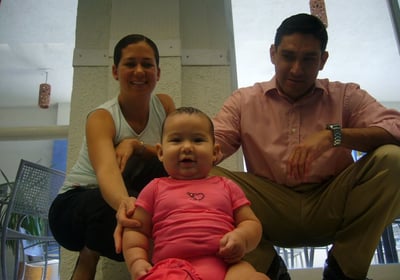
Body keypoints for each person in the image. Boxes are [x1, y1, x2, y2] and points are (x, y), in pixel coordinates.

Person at [211, 13, 400, 280]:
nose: (297, 69)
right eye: (288, 56)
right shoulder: (243, 100)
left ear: (323, 60)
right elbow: (210, 144)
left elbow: (396, 130)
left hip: (332, 202)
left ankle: (344, 270)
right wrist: (175, 151)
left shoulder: (346, 95)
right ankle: (267, 269)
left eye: (309, 59)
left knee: (393, 159)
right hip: (267, 207)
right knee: (200, 178)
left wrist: (334, 136)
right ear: (273, 54)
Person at [48, 34, 175, 280]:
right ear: (116, 71)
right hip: (73, 209)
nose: (139, 71)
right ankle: (88, 256)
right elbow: (106, 171)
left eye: (147, 64)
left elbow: (173, 153)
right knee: (125, 210)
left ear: (158, 73)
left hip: (118, 204)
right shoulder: (102, 118)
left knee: (165, 172)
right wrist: (126, 206)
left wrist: (137, 146)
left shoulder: (165, 105)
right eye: (130, 64)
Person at [122, 107, 269, 280]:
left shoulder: (227, 186)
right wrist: (137, 261)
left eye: (198, 140)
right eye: (176, 140)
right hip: (172, 267)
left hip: (227, 266)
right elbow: (136, 230)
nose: (187, 147)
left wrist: (242, 238)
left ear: (214, 153)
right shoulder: (155, 188)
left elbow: (250, 222)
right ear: (160, 152)